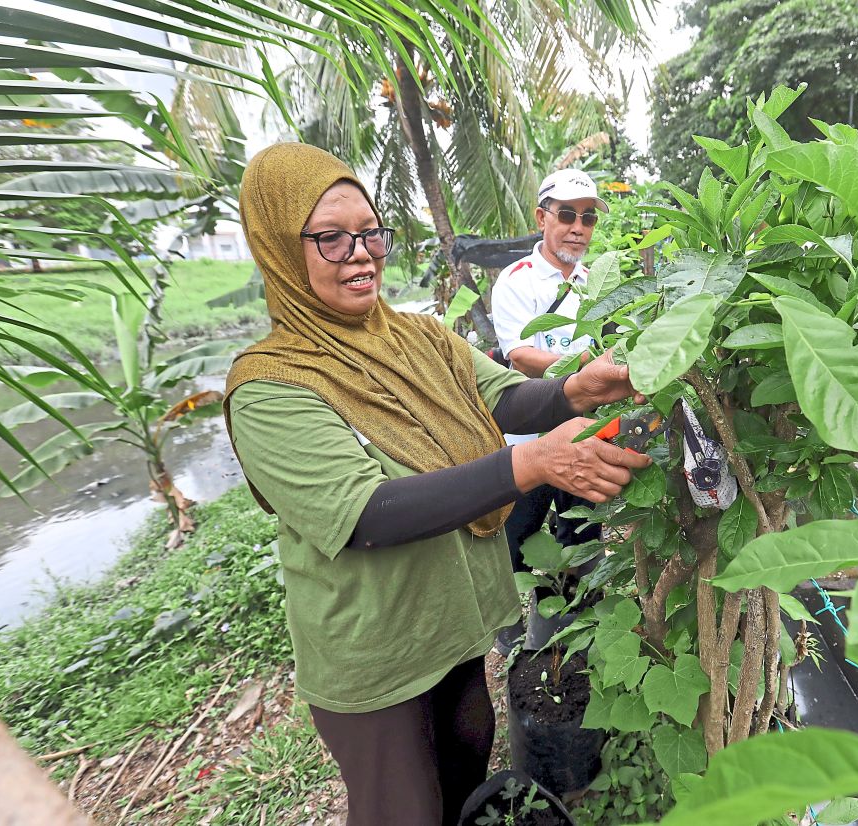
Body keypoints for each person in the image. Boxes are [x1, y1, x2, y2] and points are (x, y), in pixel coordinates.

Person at [223, 143, 650, 826]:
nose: (360, 253)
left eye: (369, 233)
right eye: (329, 239)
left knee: (463, 786)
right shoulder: (270, 385)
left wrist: (575, 387)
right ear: (277, 247)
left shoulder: (418, 336)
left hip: (453, 627)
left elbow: (505, 398)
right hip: (378, 662)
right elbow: (365, 513)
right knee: (404, 810)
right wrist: (531, 464)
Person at [489, 170, 608, 650]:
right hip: (529, 442)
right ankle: (507, 624)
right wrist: (583, 366)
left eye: (587, 217)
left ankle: (576, 620)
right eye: (566, 214)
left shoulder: (592, 281)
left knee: (583, 529)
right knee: (514, 536)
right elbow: (518, 356)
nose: (578, 227)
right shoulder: (517, 282)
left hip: (583, 436)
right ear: (542, 218)